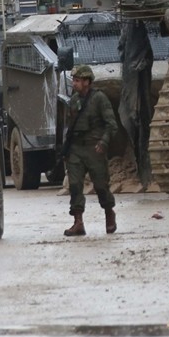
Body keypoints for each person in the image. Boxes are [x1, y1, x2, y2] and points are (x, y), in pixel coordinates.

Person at [62, 64, 118, 237]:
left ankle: (109, 213)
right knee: (75, 185)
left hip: (95, 148)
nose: (74, 84)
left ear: (87, 81)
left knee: (101, 185)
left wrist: (104, 142)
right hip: (76, 148)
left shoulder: (99, 98)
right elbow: (69, 127)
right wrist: (66, 150)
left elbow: (112, 125)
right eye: (74, 80)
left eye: (77, 80)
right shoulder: (73, 100)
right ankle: (78, 222)